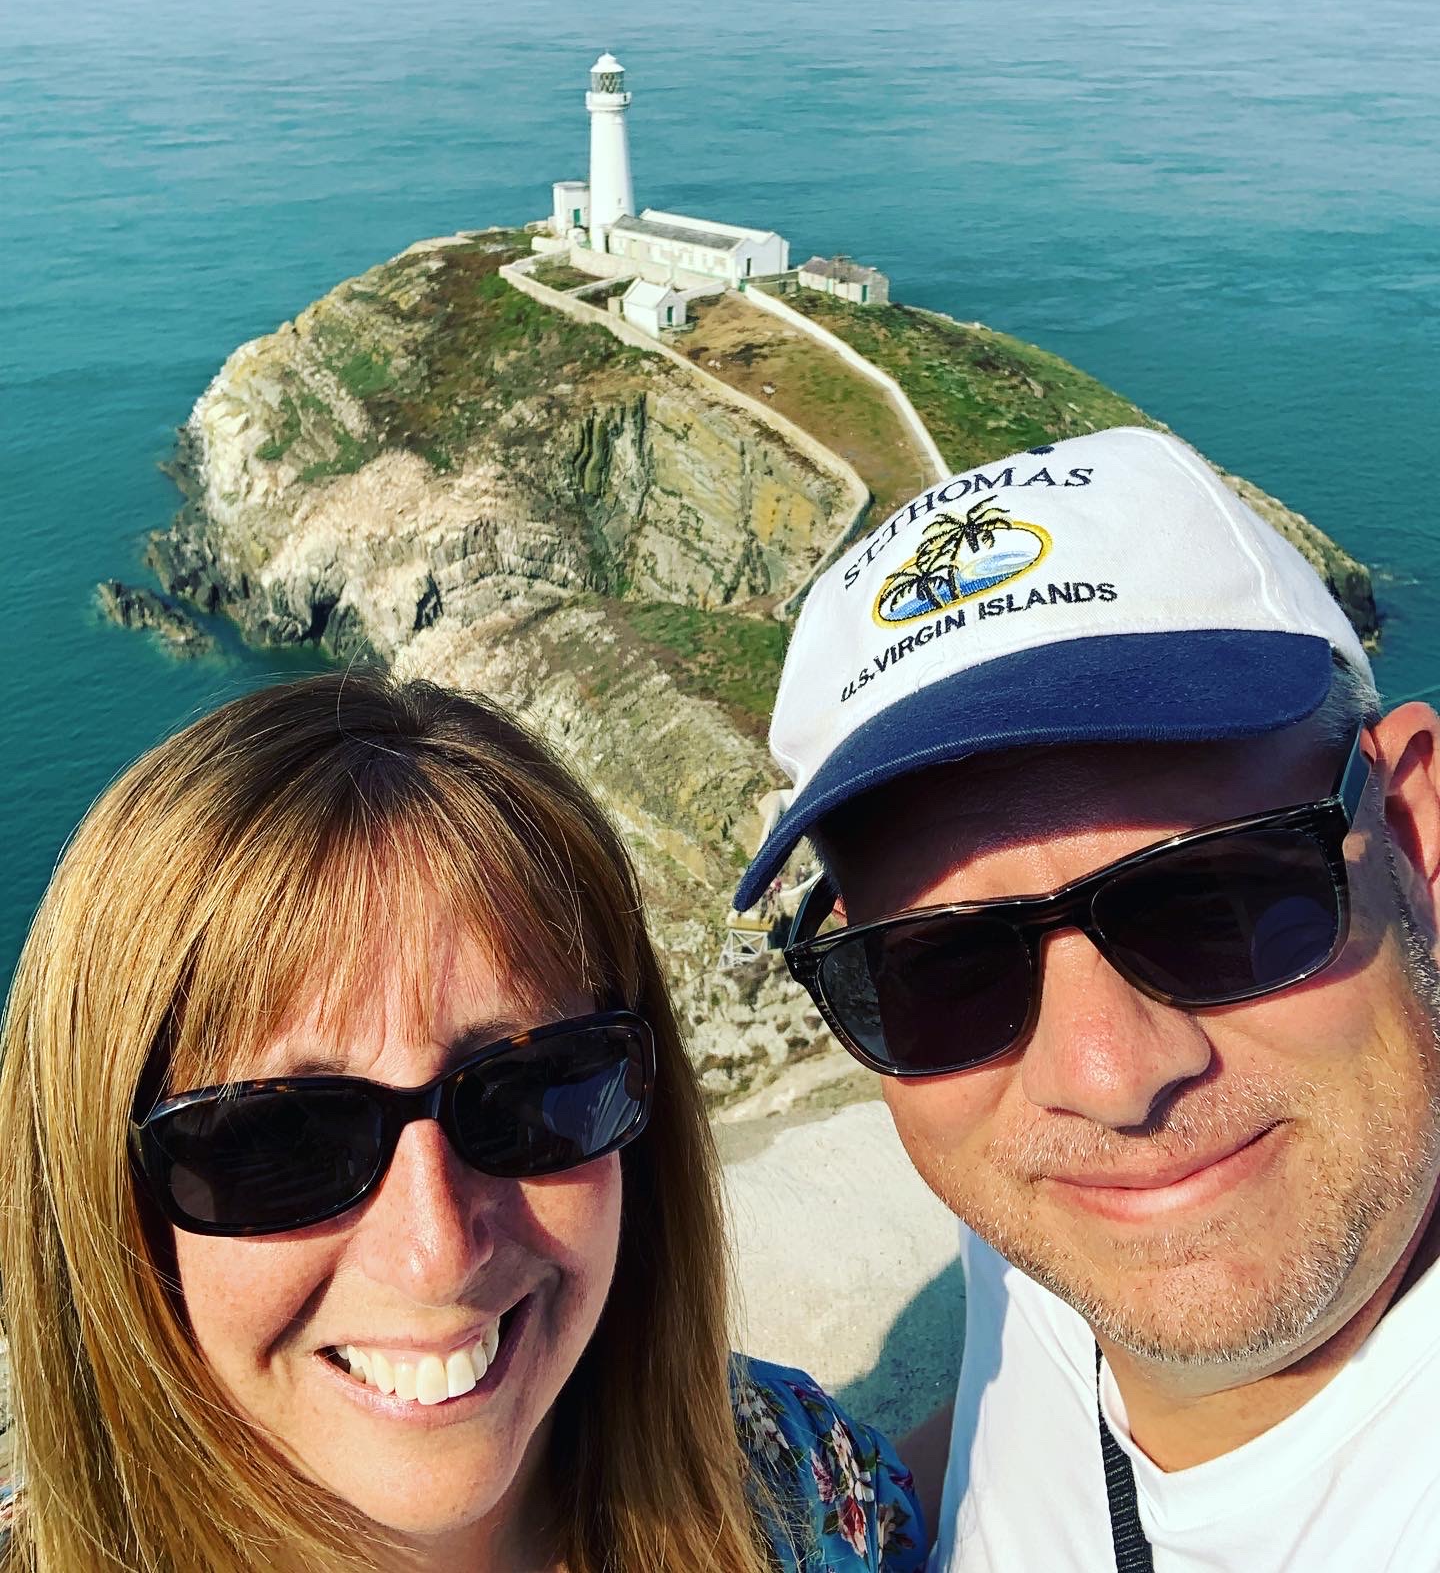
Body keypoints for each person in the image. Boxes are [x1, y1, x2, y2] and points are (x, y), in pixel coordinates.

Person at [0, 672, 925, 1573]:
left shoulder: (788, 1485)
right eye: (280, 1145)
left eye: (530, 1091)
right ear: (102, 1200)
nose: (437, 1252)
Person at [734, 426, 1440, 1570]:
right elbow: (1032, 1424)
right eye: (945, 970)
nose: (1105, 1079)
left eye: (1213, 905)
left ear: (1413, 835)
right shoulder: (1046, 1204)